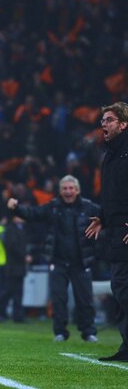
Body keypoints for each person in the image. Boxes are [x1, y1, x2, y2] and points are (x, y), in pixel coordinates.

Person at [8, 175, 99, 342]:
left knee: (85, 299)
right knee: (58, 299)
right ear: (60, 191)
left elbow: (105, 218)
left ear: (77, 190)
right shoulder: (53, 207)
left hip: (81, 262)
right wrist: (16, 208)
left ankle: (89, 332)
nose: (68, 191)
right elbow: (33, 213)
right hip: (58, 261)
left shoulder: (89, 207)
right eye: (65, 188)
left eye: (71, 188)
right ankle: (60, 332)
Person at [86, 102, 128, 361]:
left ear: (124, 124)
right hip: (116, 232)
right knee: (121, 288)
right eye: (103, 120)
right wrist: (102, 216)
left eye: (110, 120)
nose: (104, 124)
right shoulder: (111, 156)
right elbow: (112, 195)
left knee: (122, 287)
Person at [0, 215, 32, 323]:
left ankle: (17, 315)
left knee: (18, 292)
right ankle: (0, 313)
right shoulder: (10, 229)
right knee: (7, 291)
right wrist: (24, 256)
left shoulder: (21, 229)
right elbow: (12, 246)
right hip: (12, 266)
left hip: (18, 266)